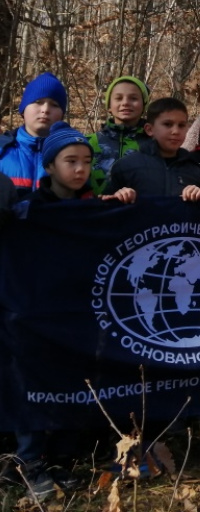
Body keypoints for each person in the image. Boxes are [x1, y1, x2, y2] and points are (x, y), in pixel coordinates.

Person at [11, 123, 134, 501]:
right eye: (70, 161)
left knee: (76, 381)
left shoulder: (95, 207)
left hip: (81, 314)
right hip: (36, 315)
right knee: (33, 384)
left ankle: (62, 456)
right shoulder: (29, 209)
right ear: (50, 166)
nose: (80, 169)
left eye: (86, 161)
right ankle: (27, 462)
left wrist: (120, 206)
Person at [106, 98, 200, 200]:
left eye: (181, 125)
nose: (176, 131)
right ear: (149, 129)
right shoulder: (126, 167)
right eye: (168, 124)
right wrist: (119, 196)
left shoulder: (194, 169)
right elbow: (108, 208)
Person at [0, 72, 67, 198]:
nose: (45, 109)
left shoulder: (72, 154)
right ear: (23, 109)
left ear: (62, 114)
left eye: (54, 105)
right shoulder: (2, 150)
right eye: (38, 102)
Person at [87, 75, 150, 195]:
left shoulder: (154, 144)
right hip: (96, 210)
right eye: (119, 98)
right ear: (109, 106)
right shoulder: (90, 142)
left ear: (144, 104)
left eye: (133, 98)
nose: (125, 103)